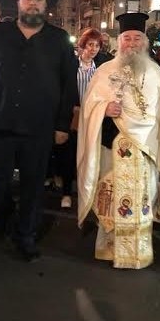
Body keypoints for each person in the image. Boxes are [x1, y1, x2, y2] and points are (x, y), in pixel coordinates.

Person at [0, 0, 77, 261]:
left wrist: (62, 125)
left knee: (33, 185)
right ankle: (4, 219)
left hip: (39, 127)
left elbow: (68, 86)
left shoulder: (59, 40)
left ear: (45, 5)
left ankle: (25, 235)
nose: (33, 3)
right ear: (18, 2)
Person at [77, 12, 160, 269]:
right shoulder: (104, 71)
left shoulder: (157, 74)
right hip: (110, 148)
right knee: (110, 198)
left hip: (145, 150)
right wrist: (103, 109)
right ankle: (109, 248)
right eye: (127, 38)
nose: (132, 43)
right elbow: (88, 107)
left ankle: (138, 252)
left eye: (137, 38)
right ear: (119, 41)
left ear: (144, 42)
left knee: (141, 200)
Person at [55, 28, 103, 209]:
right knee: (69, 156)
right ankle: (67, 193)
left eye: (97, 45)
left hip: (93, 118)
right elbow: (63, 91)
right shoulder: (71, 65)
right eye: (90, 44)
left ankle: (87, 193)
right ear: (82, 46)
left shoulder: (101, 67)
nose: (93, 49)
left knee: (90, 156)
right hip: (72, 117)